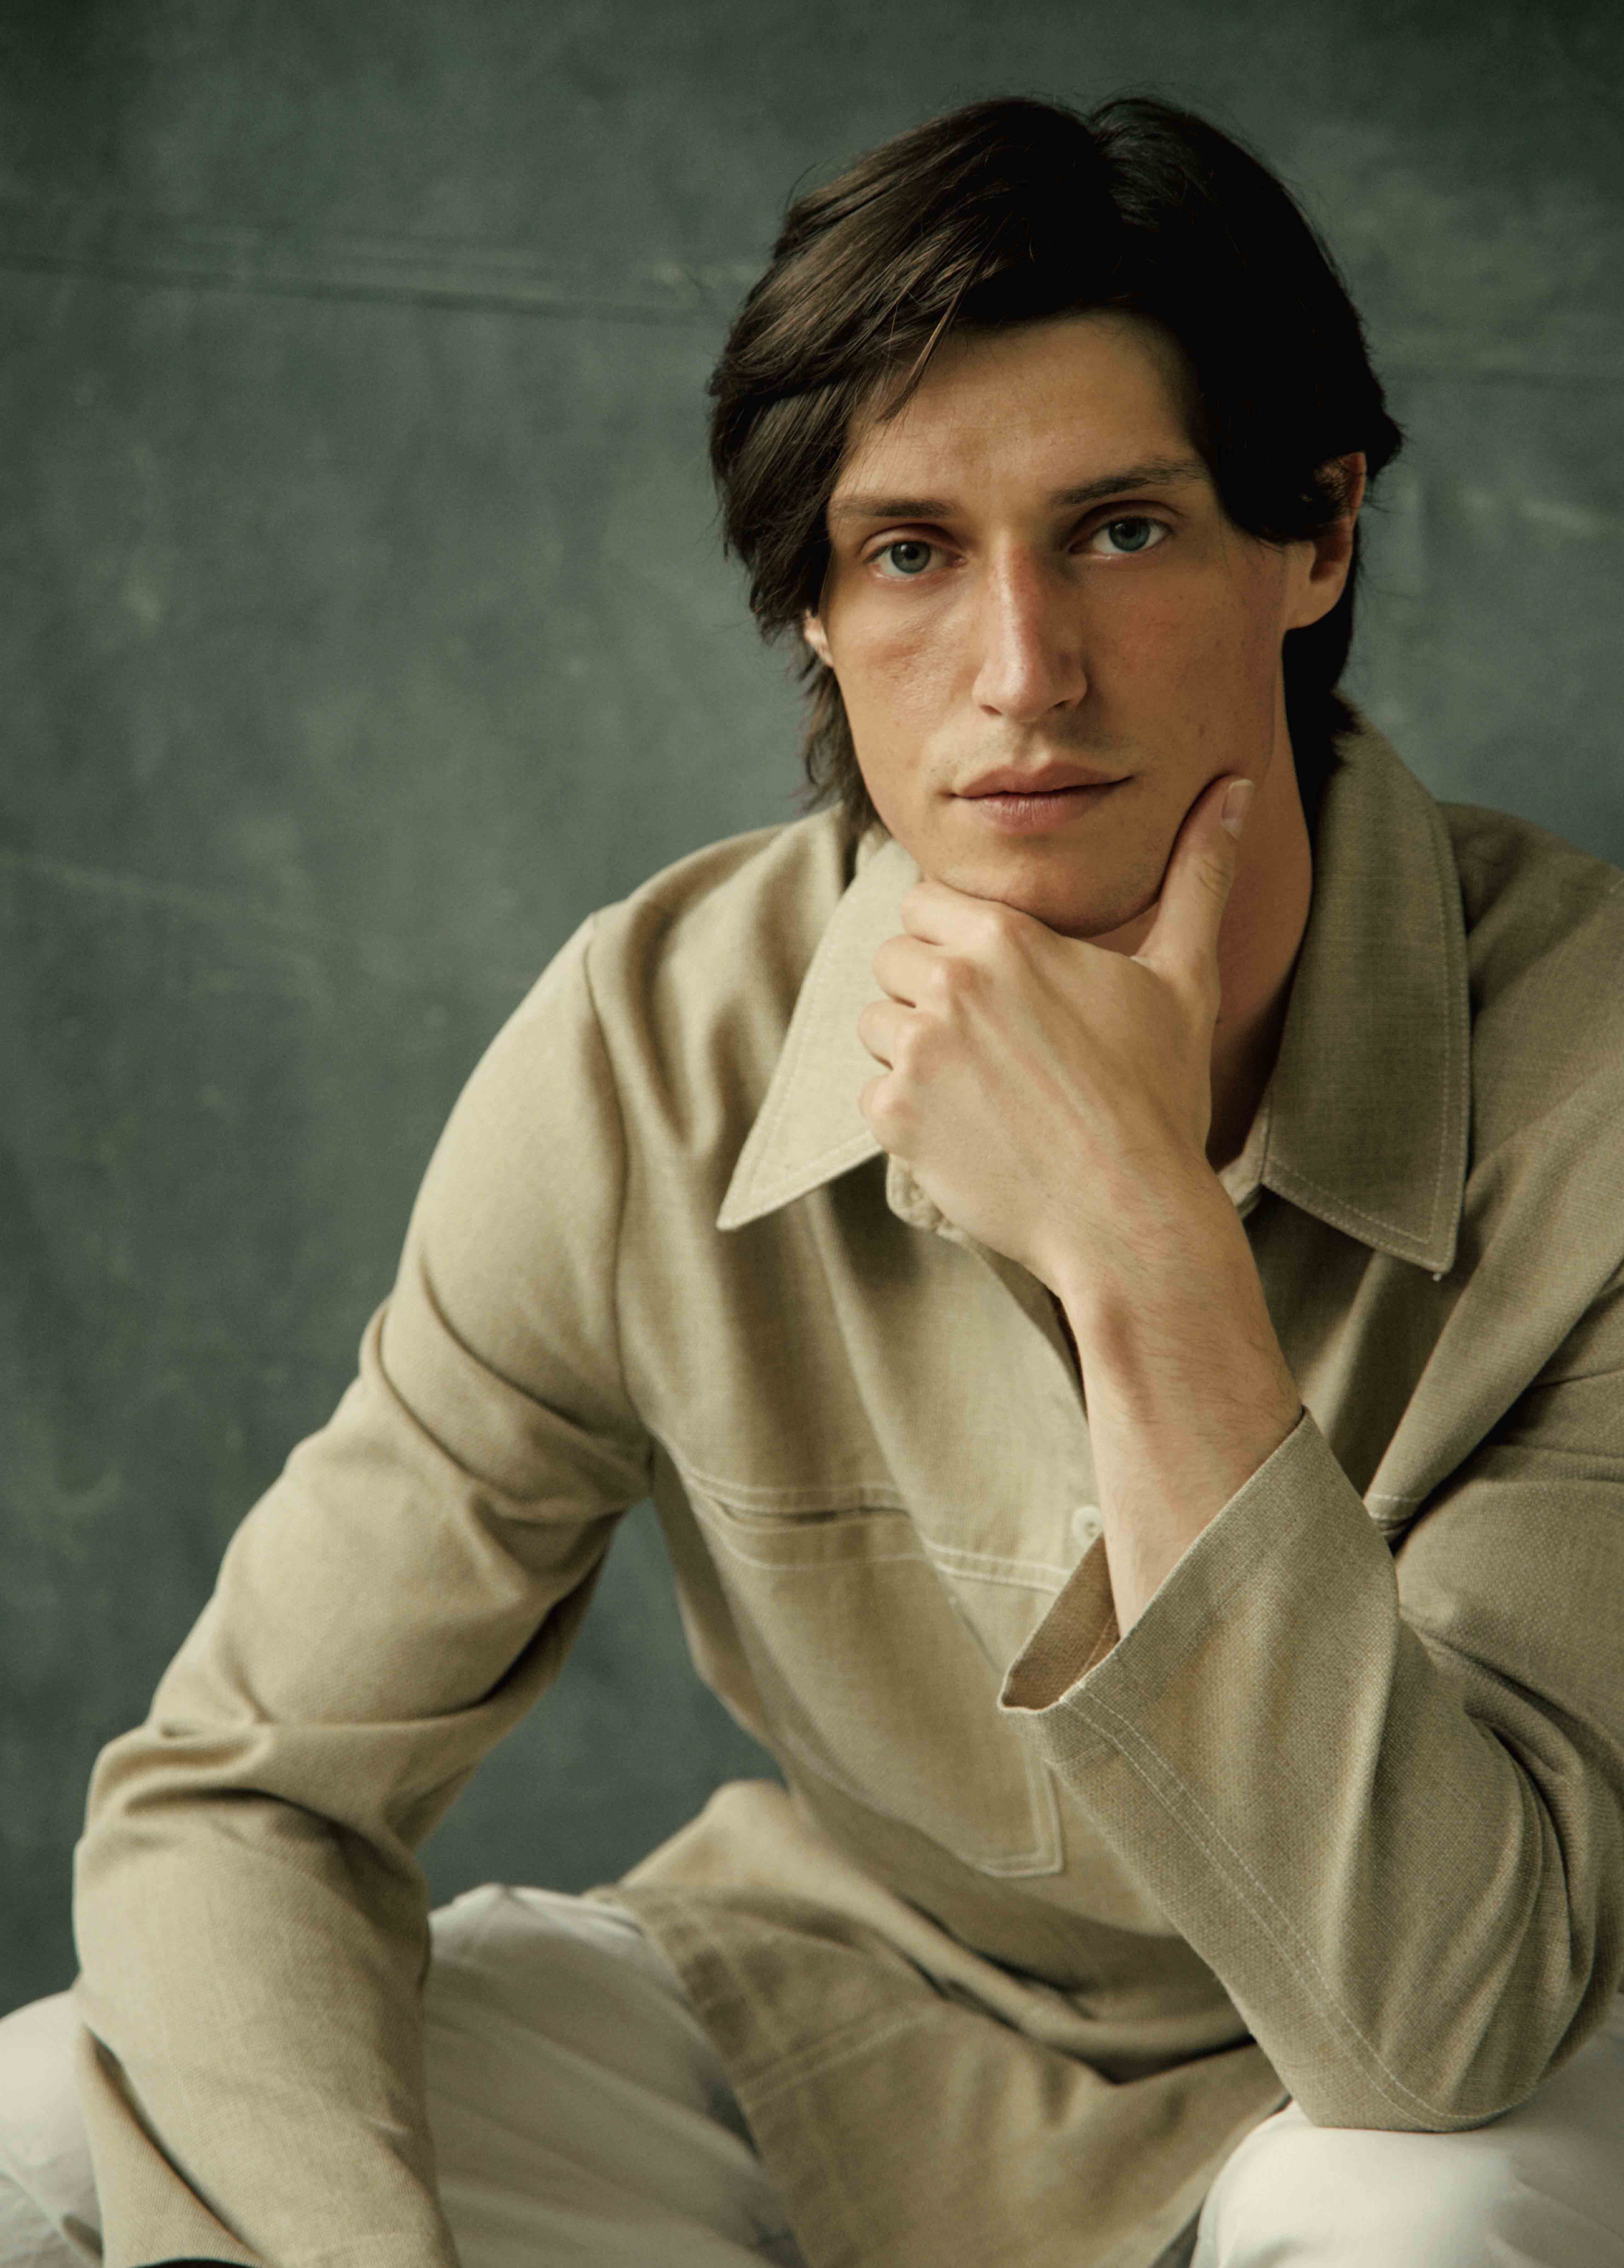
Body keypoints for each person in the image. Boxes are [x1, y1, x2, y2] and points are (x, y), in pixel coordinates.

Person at [3, 90, 1624, 2268]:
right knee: (43, 2136)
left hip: (1417, 2084)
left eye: (1120, 531)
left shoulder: (1598, 1091)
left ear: (1314, 532)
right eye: (913, 553)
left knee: (1441, 2226)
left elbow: (1441, 2025)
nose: (1023, 674)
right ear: (820, 609)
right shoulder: (654, 1045)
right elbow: (242, 1797)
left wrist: (1143, 1250)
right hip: (846, 2015)